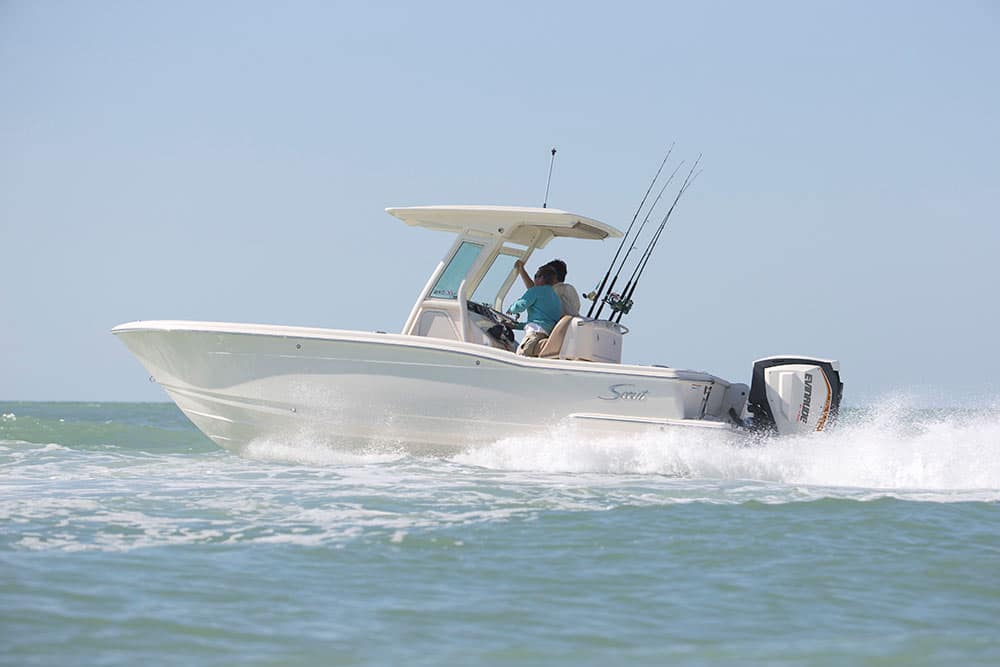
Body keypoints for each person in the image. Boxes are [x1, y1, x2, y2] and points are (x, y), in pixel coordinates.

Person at [506, 264, 562, 357]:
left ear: (541, 278)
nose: (534, 279)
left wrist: (511, 309)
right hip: (546, 336)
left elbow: (521, 304)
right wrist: (515, 326)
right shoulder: (555, 297)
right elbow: (540, 322)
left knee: (520, 357)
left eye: (536, 276)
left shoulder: (536, 290)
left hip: (534, 335)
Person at [514, 258, 580, 317]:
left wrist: (521, 269)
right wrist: (521, 270)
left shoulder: (562, 289)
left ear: (554, 276)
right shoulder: (565, 289)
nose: (541, 277)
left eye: (544, 274)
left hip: (566, 327)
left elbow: (536, 292)